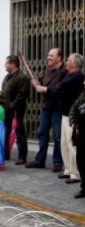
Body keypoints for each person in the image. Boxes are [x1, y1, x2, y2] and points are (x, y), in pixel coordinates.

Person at [43, 53, 84, 182]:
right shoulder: (67, 75)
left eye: (69, 60)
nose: (66, 62)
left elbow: (59, 87)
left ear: (75, 64)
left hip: (73, 117)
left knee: (72, 145)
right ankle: (68, 170)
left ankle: (76, 173)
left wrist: (46, 90)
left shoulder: (78, 77)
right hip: (64, 114)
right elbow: (57, 87)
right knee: (64, 143)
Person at [26, 48, 65, 172]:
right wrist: (37, 83)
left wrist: (43, 88)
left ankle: (58, 162)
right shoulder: (47, 70)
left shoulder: (64, 72)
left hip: (57, 108)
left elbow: (58, 89)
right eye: (48, 55)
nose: (48, 57)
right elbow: (43, 83)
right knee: (42, 133)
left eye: (51, 55)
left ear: (59, 57)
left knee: (58, 136)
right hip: (46, 107)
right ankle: (40, 160)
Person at [1, 55, 30, 165]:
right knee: (6, 131)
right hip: (6, 109)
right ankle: (5, 153)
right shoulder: (8, 76)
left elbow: (22, 95)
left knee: (19, 132)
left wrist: (12, 106)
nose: (5, 65)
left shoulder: (22, 77)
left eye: (6, 63)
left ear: (12, 64)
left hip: (16, 110)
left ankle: (22, 156)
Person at [69, 80, 85, 199]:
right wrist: (73, 120)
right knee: (81, 160)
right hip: (81, 133)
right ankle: (84, 187)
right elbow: (74, 107)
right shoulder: (82, 95)